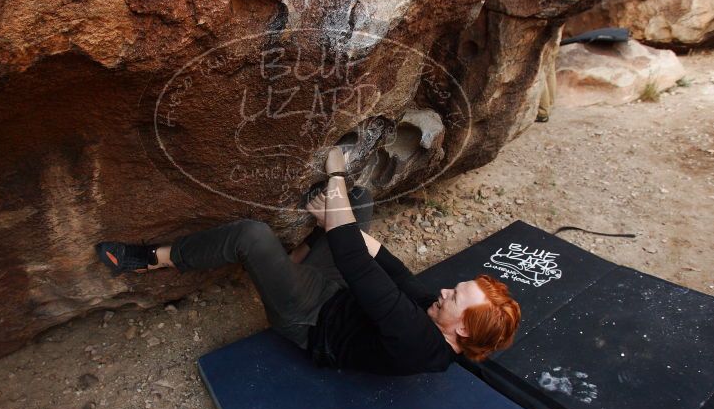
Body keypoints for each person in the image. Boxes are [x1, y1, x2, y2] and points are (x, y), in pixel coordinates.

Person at [95, 148, 521, 375]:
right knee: (358, 201)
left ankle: (152, 258)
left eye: (455, 297)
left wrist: (335, 177)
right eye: (455, 288)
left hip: (311, 318)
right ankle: (296, 260)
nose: (445, 291)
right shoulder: (439, 318)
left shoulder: (417, 340)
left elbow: (355, 261)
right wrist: (337, 219)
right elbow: (394, 270)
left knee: (252, 235)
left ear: (463, 329)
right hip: (342, 293)